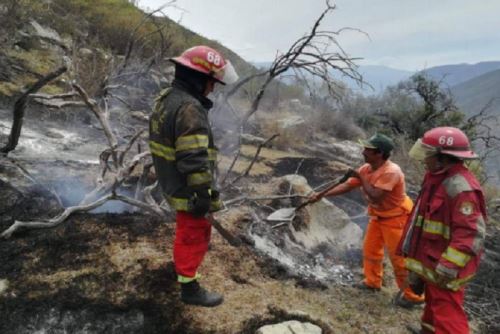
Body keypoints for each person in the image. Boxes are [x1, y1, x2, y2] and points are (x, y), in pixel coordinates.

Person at [148, 45, 238, 307]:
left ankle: (182, 272)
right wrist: (201, 193)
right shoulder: (190, 108)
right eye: (211, 83)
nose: (212, 89)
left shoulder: (167, 98)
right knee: (193, 234)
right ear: (199, 78)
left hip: (172, 181)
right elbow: (193, 156)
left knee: (187, 233)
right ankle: (190, 289)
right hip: (188, 187)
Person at [309, 133, 425, 307]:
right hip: (378, 216)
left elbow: (376, 196)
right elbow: (348, 185)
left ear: (379, 153)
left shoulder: (391, 172)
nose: (363, 152)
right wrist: (322, 194)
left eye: (368, 150)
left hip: (396, 218)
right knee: (371, 250)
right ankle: (372, 282)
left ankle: (413, 297)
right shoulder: (366, 168)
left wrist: (361, 177)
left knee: (399, 260)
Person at [398, 127, 486, 333]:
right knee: (432, 304)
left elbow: (471, 233)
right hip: (431, 258)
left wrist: (448, 267)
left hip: (446, 266)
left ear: (442, 158)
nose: (424, 159)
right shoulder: (436, 177)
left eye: (428, 154)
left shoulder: (460, 188)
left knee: (448, 314)